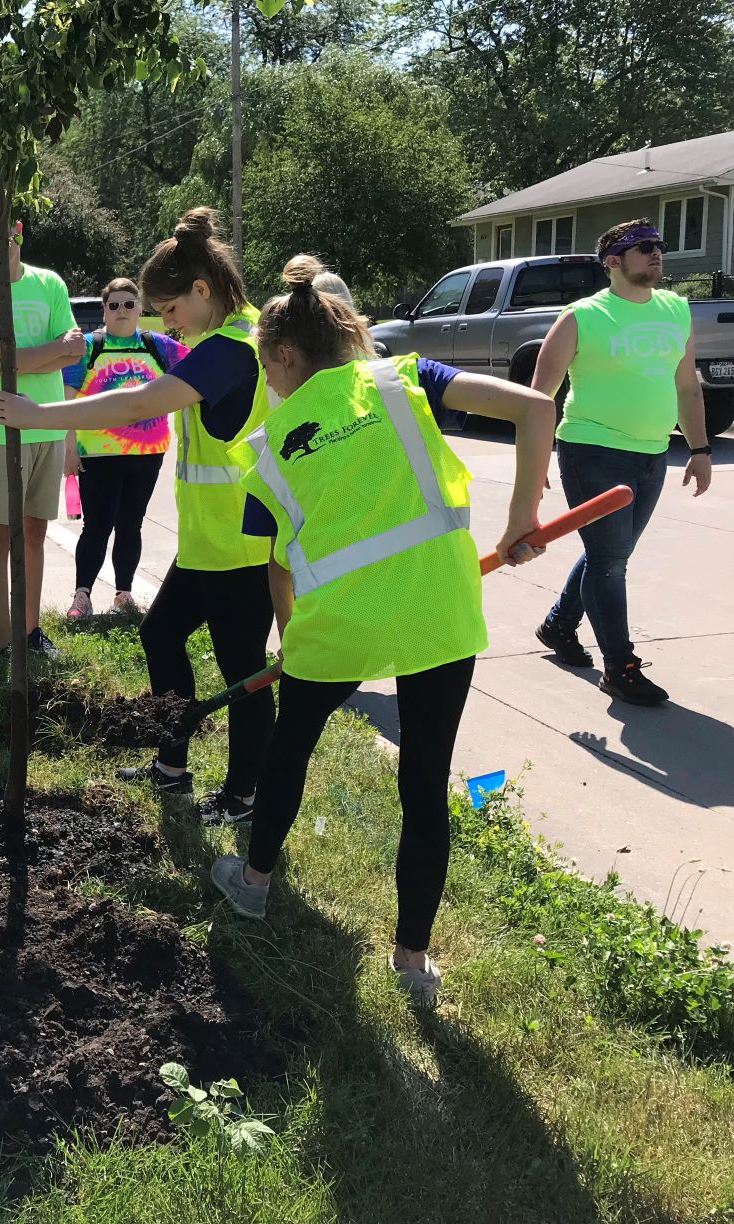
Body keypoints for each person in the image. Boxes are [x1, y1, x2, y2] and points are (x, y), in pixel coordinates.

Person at [208, 264, 556, 1008]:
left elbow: (278, 571)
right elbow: (535, 409)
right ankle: (412, 960)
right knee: (424, 786)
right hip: (439, 611)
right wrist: (522, 517)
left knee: (290, 747)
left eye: (267, 366)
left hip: (338, 630)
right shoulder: (408, 379)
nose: (268, 382)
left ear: (287, 357)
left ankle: (255, 881)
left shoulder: (268, 448)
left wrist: (295, 643)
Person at [0, 209, 275, 825]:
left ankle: (243, 794)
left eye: (169, 308)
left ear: (201, 290)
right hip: (210, 540)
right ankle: (173, 767)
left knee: (244, 672)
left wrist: (37, 416)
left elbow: (140, 401)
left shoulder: (231, 349)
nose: (163, 321)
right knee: (159, 633)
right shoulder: (230, 338)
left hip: (242, 543)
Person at [531, 218, 714, 705]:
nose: (656, 253)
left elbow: (686, 385)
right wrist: (533, 467)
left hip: (654, 453)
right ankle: (620, 667)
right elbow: (539, 397)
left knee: (609, 557)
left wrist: (698, 450)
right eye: (642, 247)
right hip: (592, 451)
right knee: (611, 563)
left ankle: (558, 625)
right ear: (612, 261)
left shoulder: (675, 309)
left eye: (659, 245)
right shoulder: (582, 317)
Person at [0, 218, 87, 663]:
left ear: (19, 233)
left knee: (34, 532)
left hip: (48, 423)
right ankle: (3, 641)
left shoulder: (48, 283)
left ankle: (30, 632)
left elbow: (78, 348)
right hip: (1, 430)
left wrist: (15, 353)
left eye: (6, 235)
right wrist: (52, 349)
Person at [59, 276, 187, 617]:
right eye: (113, 305)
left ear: (140, 309)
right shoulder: (88, 347)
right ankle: (82, 595)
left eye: (128, 304)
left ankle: (124, 594)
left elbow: (198, 371)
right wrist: (68, 446)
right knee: (97, 526)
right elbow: (67, 398)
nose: (121, 311)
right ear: (104, 310)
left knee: (131, 525)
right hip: (97, 454)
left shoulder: (158, 345)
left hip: (147, 454)